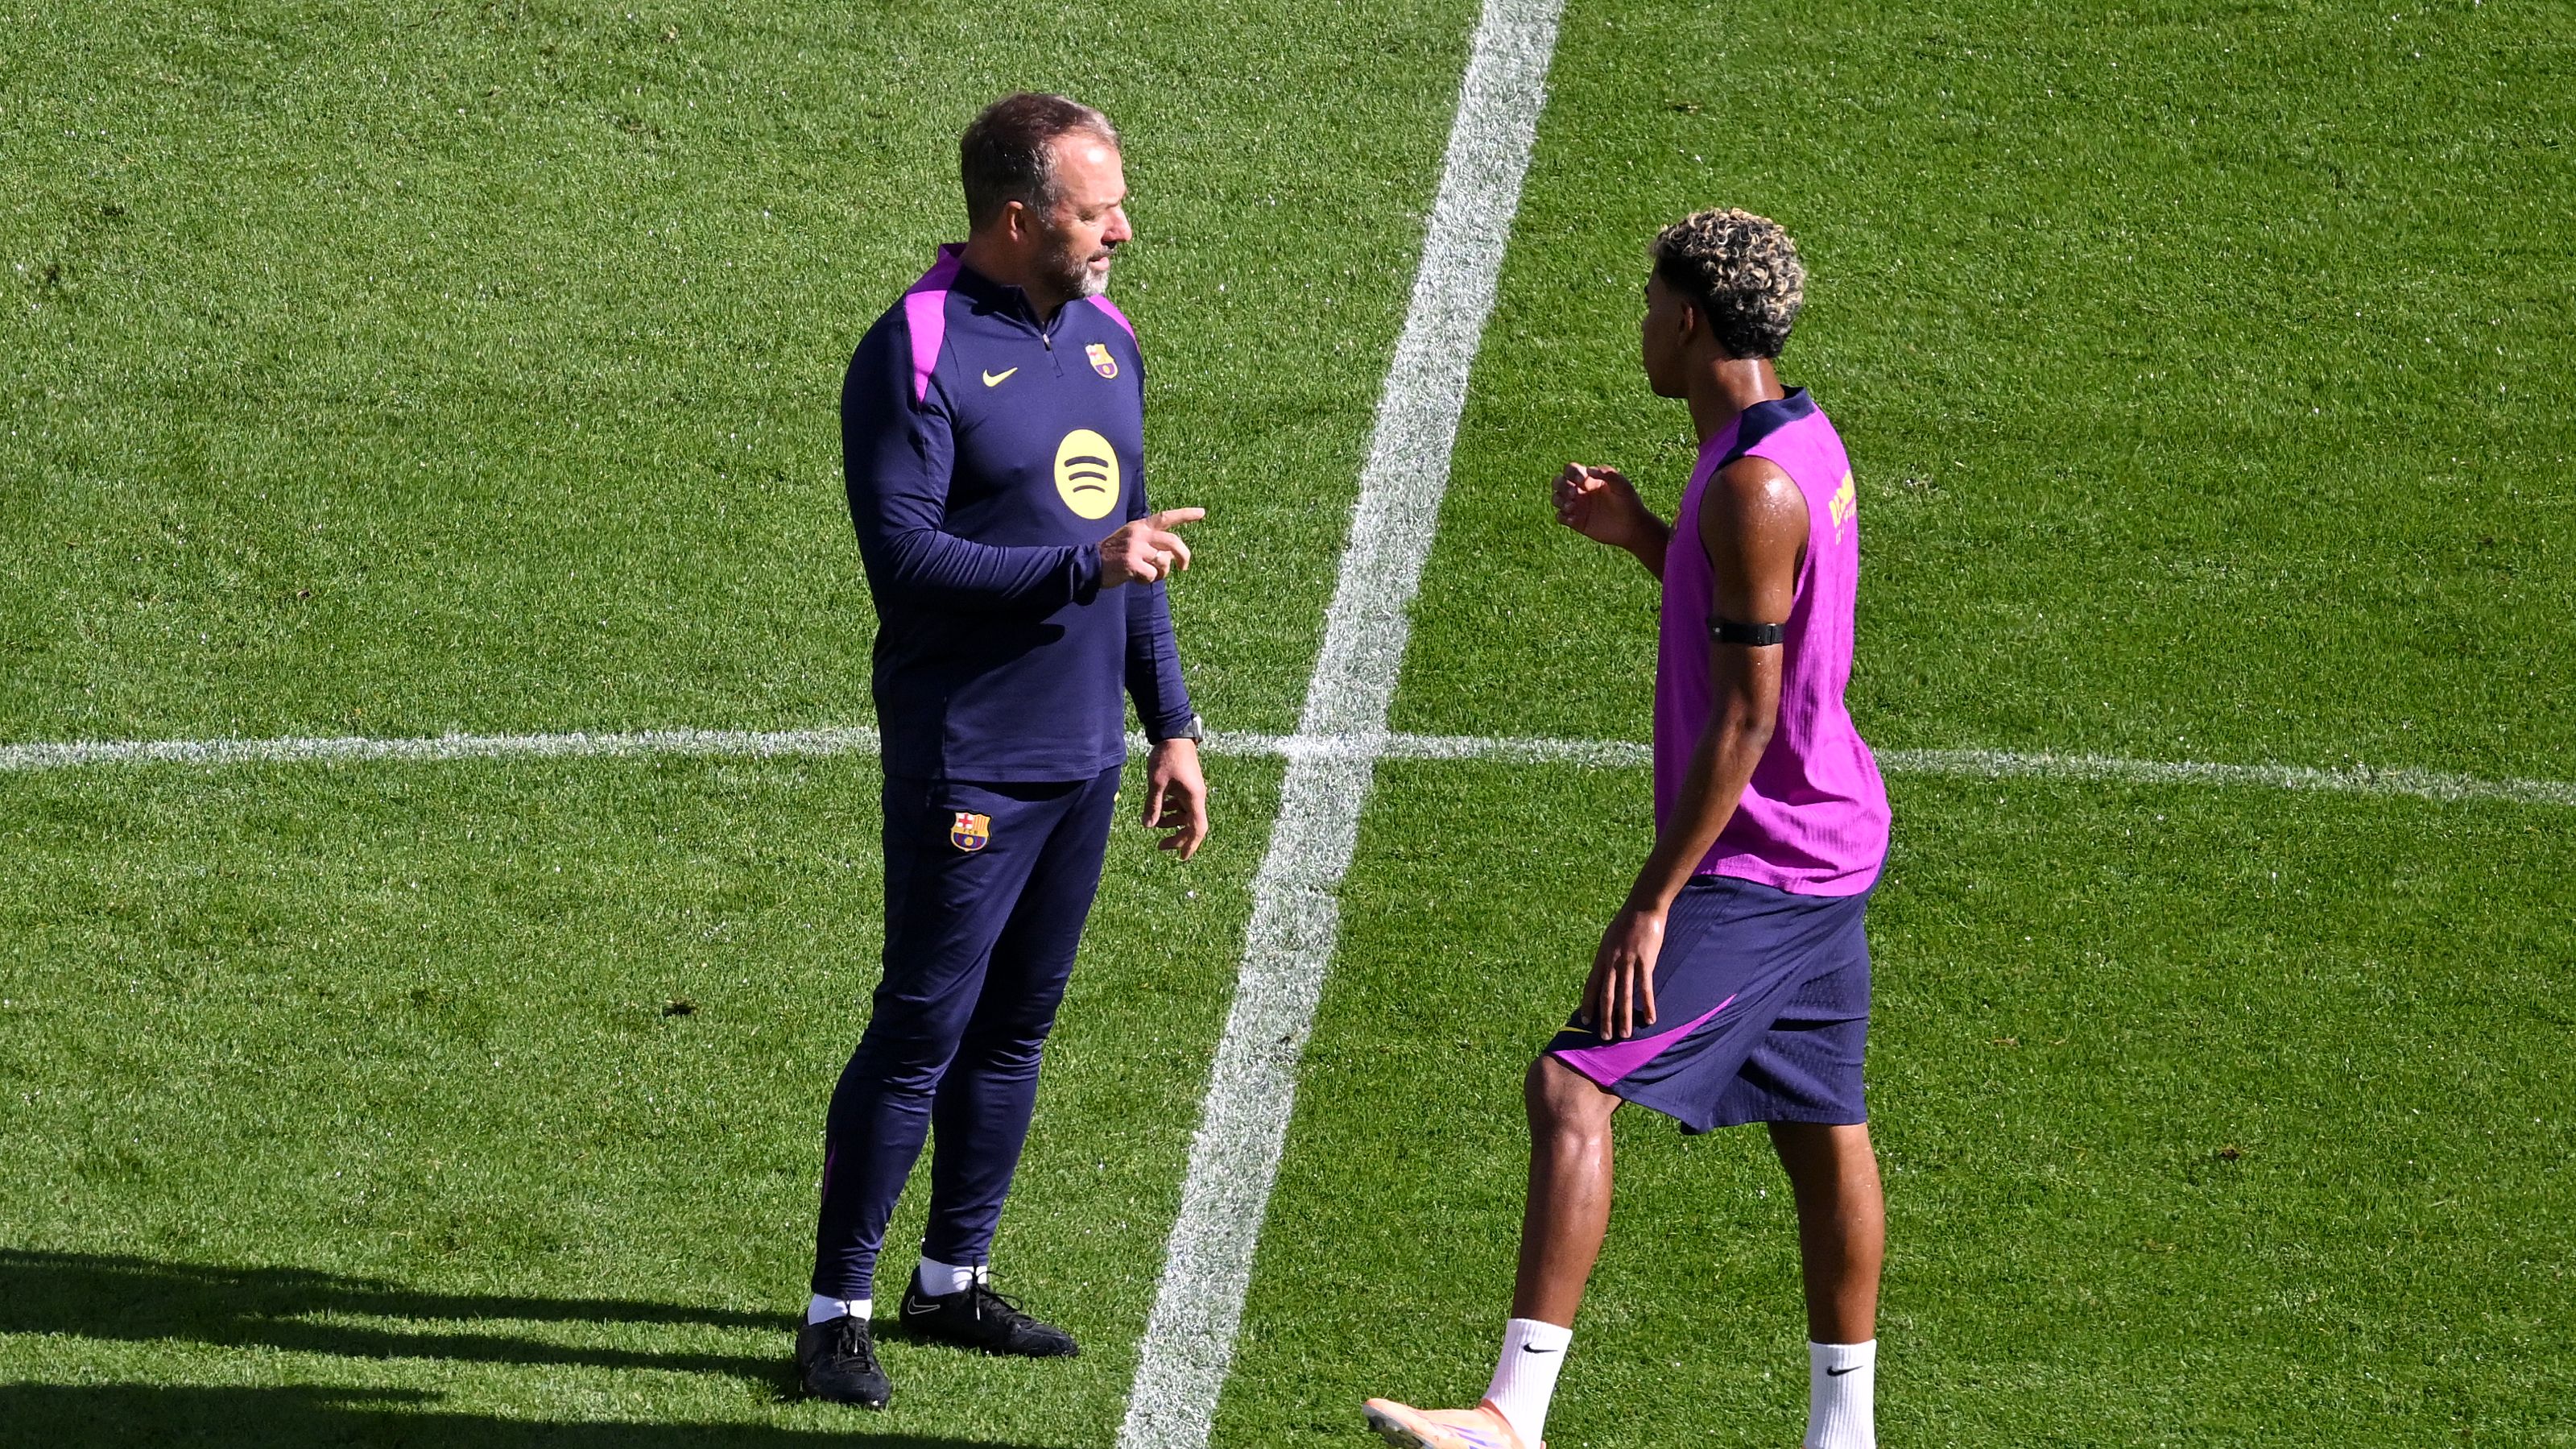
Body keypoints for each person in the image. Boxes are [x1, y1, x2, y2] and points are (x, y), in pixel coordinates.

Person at [1362, 209, 1892, 1449]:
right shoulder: (1792, 441)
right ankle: (1846, 1433)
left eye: (1652, 307)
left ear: (1693, 319)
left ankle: (1513, 1413)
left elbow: (1750, 717)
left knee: (1571, 1083)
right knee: (1824, 1125)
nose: (1642, 329)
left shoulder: (1757, 484)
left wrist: (1652, 900)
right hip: (1832, 836)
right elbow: (1754, 615)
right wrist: (1644, 534)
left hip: (1768, 860)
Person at [800, 92, 1210, 1410]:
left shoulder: (1106, 339)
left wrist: (1173, 725)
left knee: (1017, 1031)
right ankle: (835, 1309)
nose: (1124, 231)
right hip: (968, 757)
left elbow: (1137, 549)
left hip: (1083, 752)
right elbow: (906, 557)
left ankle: (951, 1279)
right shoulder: (913, 349)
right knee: (922, 1025)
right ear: (1023, 216)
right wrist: (1079, 567)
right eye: (1100, 212)